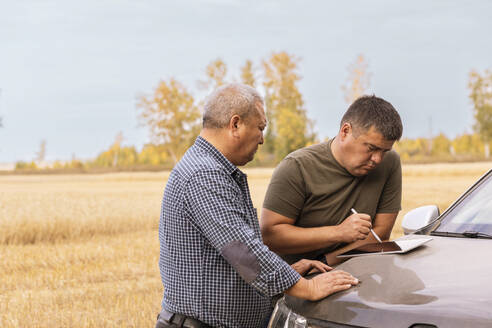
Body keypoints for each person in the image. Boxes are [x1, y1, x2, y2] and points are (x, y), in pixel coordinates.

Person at [156, 83, 358, 328]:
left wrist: (288, 273)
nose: (262, 139)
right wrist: (308, 287)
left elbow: (230, 262)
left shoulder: (213, 170)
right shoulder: (205, 175)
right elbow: (244, 252)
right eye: (260, 128)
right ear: (236, 124)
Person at [260, 95, 403, 265]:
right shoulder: (296, 167)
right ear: (345, 131)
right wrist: (338, 232)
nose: (378, 159)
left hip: (355, 271)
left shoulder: (390, 162)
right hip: (294, 278)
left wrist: (326, 263)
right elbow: (270, 236)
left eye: (384, 151)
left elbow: (380, 234)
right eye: (371, 148)